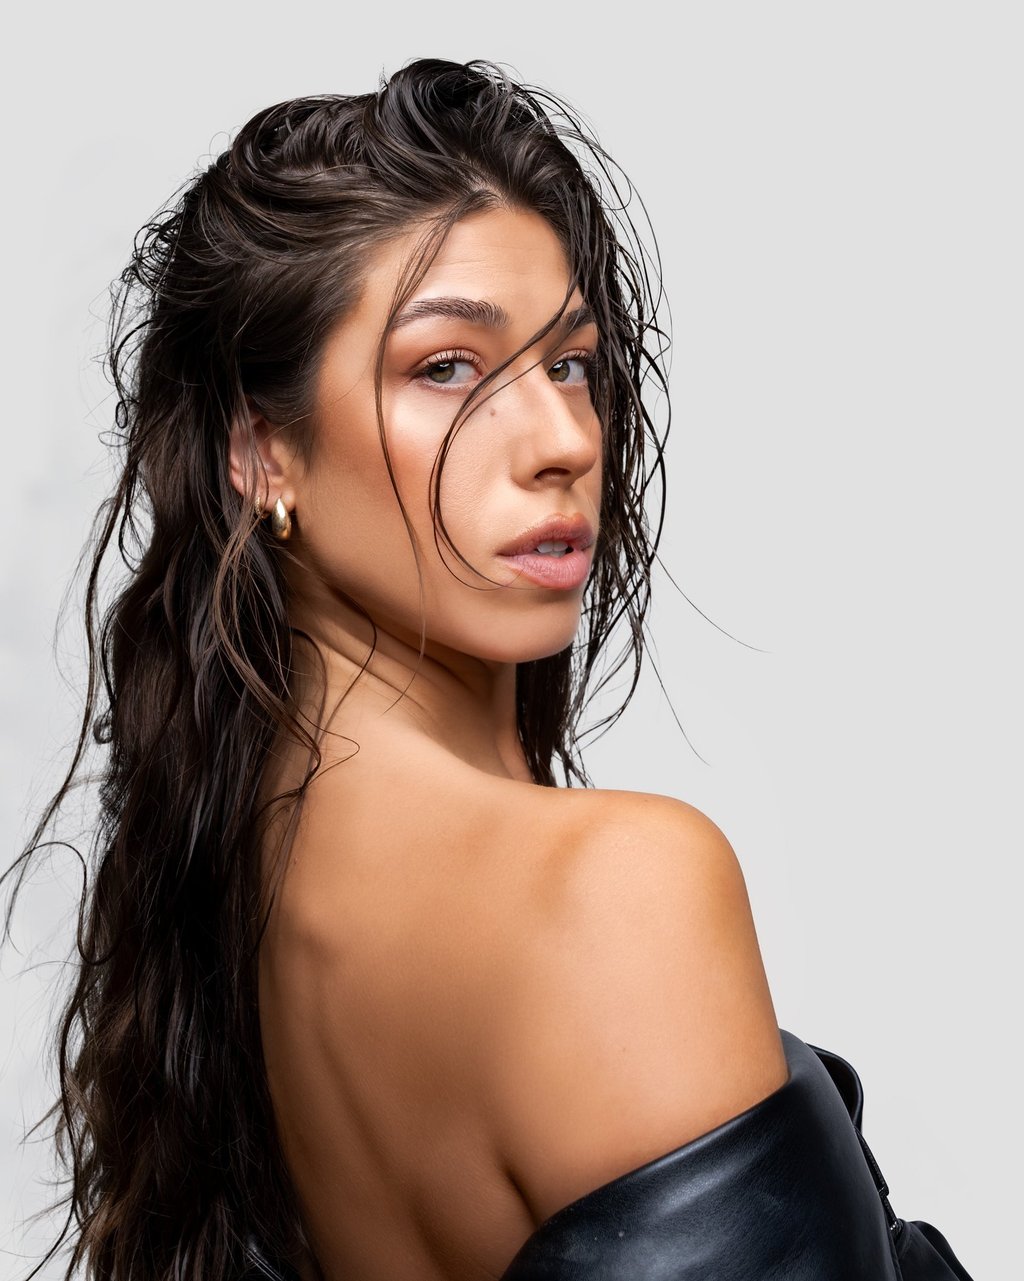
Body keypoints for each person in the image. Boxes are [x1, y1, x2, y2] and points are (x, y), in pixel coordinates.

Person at [5, 58, 973, 1281]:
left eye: (570, 364)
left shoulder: (237, 894)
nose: (564, 440)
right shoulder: (612, 893)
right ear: (262, 454)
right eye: (447, 367)